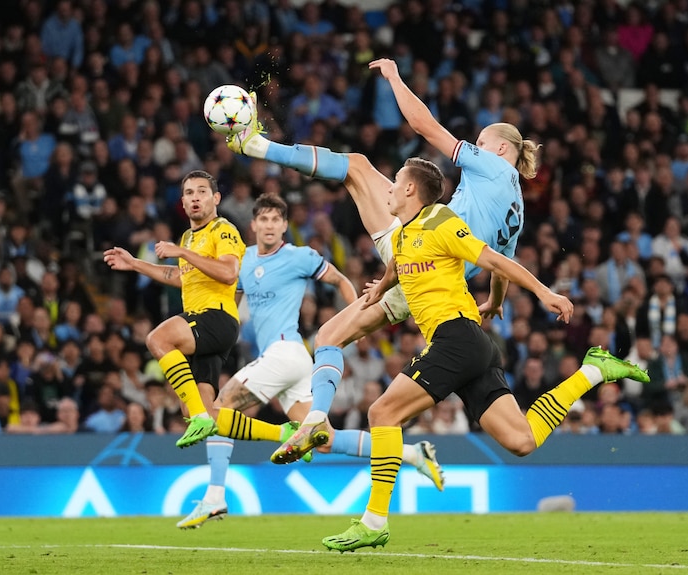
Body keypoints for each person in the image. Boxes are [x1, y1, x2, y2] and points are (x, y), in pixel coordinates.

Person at [319, 156, 649, 552]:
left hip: (455, 338)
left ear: (410, 189)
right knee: (522, 441)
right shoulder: (405, 236)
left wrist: (544, 292)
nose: (388, 188)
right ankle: (594, 372)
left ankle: (373, 522)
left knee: (381, 413)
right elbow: (397, 262)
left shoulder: (441, 221)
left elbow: (494, 259)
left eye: (395, 182)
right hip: (471, 345)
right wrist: (379, 289)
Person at [226, 57, 534, 463]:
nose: (474, 148)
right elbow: (498, 264)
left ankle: (256, 145)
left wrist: (394, 78)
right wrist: (495, 302)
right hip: (426, 284)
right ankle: (316, 419)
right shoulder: (517, 208)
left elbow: (426, 127)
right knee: (329, 335)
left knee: (355, 166)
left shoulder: (491, 163)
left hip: (422, 249)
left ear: (499, 148)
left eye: (480, 142)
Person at [177, 194, 445, 529]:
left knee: (217, 409)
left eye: (277, 219)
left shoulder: (300, 256)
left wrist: (356, 322)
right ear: (254, 225)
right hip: (290, 363)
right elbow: (200, 281)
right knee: (326, 440)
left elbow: (341, 281)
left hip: (286, 352)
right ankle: (413, 454)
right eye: (264, 219)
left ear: (286, 226)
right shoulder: (242, 261)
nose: (270, 225)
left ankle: (215, 497)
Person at [104, 170, 244, 448]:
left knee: (157, 339)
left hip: (215, 317)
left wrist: (182, 253)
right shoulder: (188, 239)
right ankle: (283, 433)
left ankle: (201, 418)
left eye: (202, 191)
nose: (195, 198)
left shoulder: (222, 229)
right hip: (205, 328)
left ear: (215, 198)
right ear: (182, 201)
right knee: (195, 410)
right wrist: (135, 264)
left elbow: (229, 273)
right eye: (189, 193)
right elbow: (180, 277)